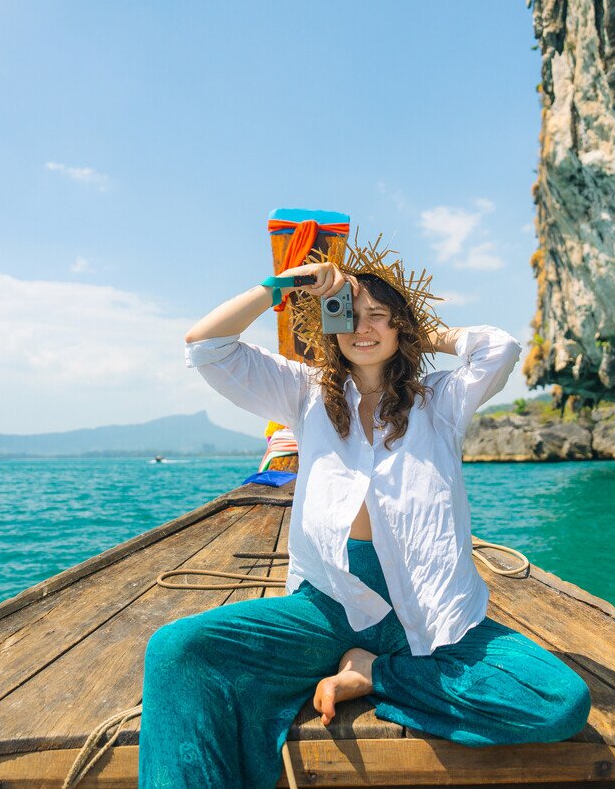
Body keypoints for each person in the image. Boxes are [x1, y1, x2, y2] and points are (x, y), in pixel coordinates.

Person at [139, 236, 591, 788]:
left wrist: (420, 327)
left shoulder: (440, 401)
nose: (363, 327)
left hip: (428, 612)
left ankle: (375, 672)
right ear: (330, 326)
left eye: (379, 316)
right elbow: (207, 344)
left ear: (404, 328)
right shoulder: (303, 394)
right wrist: (287, 285)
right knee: (176, 650)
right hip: (329, 606)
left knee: (559, 701)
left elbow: (497, 347)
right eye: (348, 315)